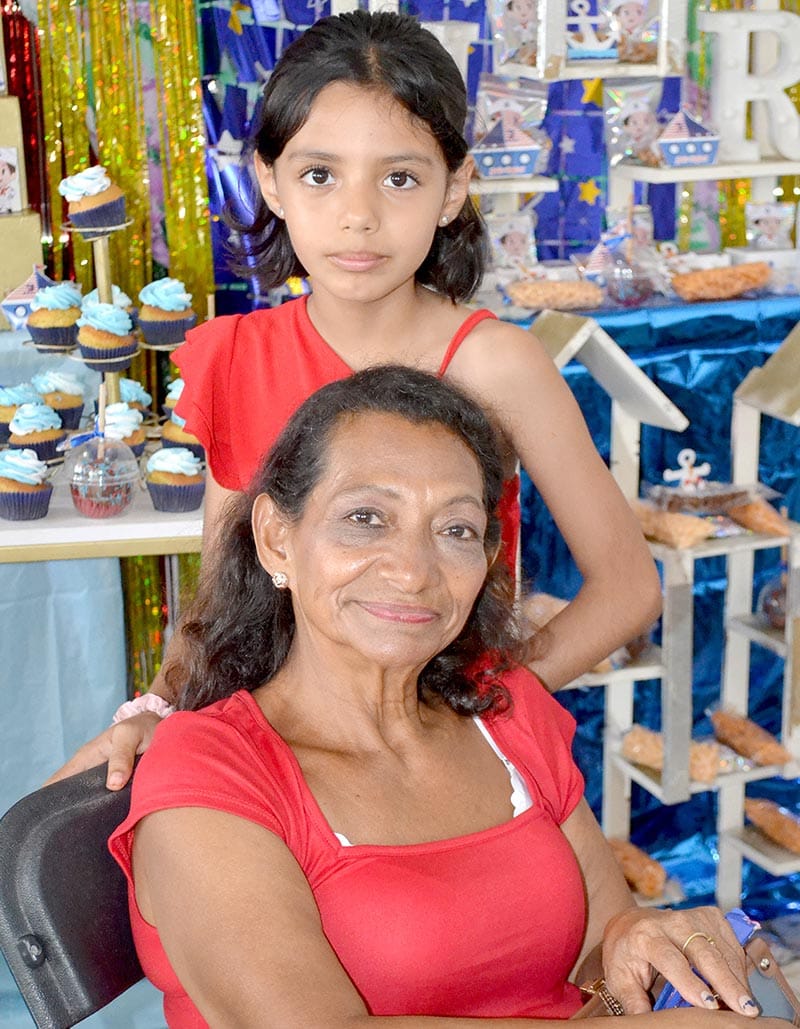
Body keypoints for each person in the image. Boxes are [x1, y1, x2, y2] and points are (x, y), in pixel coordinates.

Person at [49, 9, 661, 789]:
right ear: (269, 180)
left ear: (453, 189)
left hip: (435, 774)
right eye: (320, 174)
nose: (358, 215)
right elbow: (217, 610)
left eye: (399, 178)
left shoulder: (497, 365)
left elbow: (627, 587)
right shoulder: (233, 355)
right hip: (272, 758)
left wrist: (482, 712)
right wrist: (156, 709)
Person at [109, 367, 772, 1027]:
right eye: (366, 518)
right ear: (277, 538)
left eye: (455, 530)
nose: (414, 571)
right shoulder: (210, 769)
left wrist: (646, 942)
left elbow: (600, 956)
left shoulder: (503, 710)